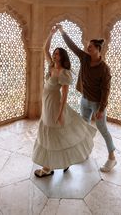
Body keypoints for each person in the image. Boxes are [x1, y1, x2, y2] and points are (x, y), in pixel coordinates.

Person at [32, 26, 96, 177]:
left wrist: (60, 113)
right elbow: (44, 50)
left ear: (62, 57)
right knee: (54, 133)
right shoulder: (50, 66)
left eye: (58, 54)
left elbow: (65, 95)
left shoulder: (64, 73)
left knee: (52, 133)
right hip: (46, 103)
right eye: (54, 53)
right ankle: (64, 161)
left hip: (54, 104)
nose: (54, 56)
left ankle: (47, 168)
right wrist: (51, 33)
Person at [57, 24, 116, 172]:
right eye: (88, 46)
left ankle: (112, 158)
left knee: (103, 129)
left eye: (90, 47)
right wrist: (63, 32)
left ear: (98, 49)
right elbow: (73, 47)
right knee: (83, 128)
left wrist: (101, 109)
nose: (87, 48)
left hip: (97, 104)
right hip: (85, 100)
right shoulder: (84, 58)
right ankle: (84, 152)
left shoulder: (104, 68)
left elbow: (106, 90)